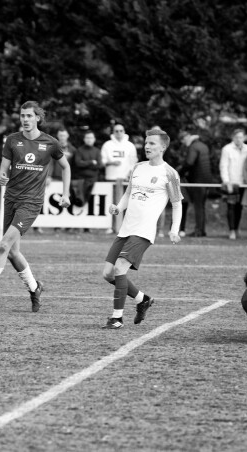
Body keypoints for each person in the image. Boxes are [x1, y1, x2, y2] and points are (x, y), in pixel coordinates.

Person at [0, 101, 71, 312]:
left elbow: (66, 167)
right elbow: (3, 170)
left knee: (3, 245)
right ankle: (34, 287)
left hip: (31, 203)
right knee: (12, 253)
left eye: (29, 116)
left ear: (38, 118)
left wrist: (66, 194)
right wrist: (2, 176)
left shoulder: (50, 143)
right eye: (22, 116)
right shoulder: (12, 140)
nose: (25, 119)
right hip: (11, 199)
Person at [101, 129, 183, 329]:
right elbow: (129, 193)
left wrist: (174, 229)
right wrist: (118, 208)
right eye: (146, 143)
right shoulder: (137, 167)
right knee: (108, 274)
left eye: (152, 143)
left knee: (120, 267)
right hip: (126, 228)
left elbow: (177, 203)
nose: (147, 146)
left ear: (163, 147)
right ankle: (142, 299)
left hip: (144, 231)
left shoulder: (169, 173)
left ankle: (117, 318)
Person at [101, 122, 139, 233]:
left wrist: (130, 174)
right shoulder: (107, 145)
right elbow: (102, 161)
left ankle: (124, 226)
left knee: (125, 203)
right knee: (111, 203)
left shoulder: (130, 145)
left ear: (124, 132)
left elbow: (134, 162)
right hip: (111, 177)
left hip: (125, 179)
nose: (118, 133)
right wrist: (110, 163)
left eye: (121, 130)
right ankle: (111, 226)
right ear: (113, 132)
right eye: (116, 131)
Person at [179, 130, 214, 237]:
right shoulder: (203, 145)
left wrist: (180, 172)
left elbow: (189, 162)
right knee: (202, 206)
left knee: (198, 206)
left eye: (183, 140)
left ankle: (199, 231)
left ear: (186, 138)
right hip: (206, 179)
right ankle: (201, 230)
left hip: (198, 180)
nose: (184, 143)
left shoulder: (193, 147)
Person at [220, 128, 247, 240]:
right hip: (231, 183)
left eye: (241, 137)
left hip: (244, 183)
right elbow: (223, 166)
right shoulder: (227, 149)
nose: (239, 139)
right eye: (237, 137)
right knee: (231, 207)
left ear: (244, 138)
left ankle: (237, 229)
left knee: (239, 208)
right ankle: (232, 230)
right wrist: (226, 181)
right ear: (233, 137)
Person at [72, 130, 101, 211]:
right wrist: (91, 162)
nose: (89, 139)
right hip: (80, 180)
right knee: (79, 199)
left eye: (91, 138)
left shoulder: (97, 151)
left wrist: (84, 163)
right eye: (87, 138)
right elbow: (78, 164)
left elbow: (99, 165)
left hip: (93, 181)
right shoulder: (79, 150)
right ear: (84, 139)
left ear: (94, 139)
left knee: (91, 202)